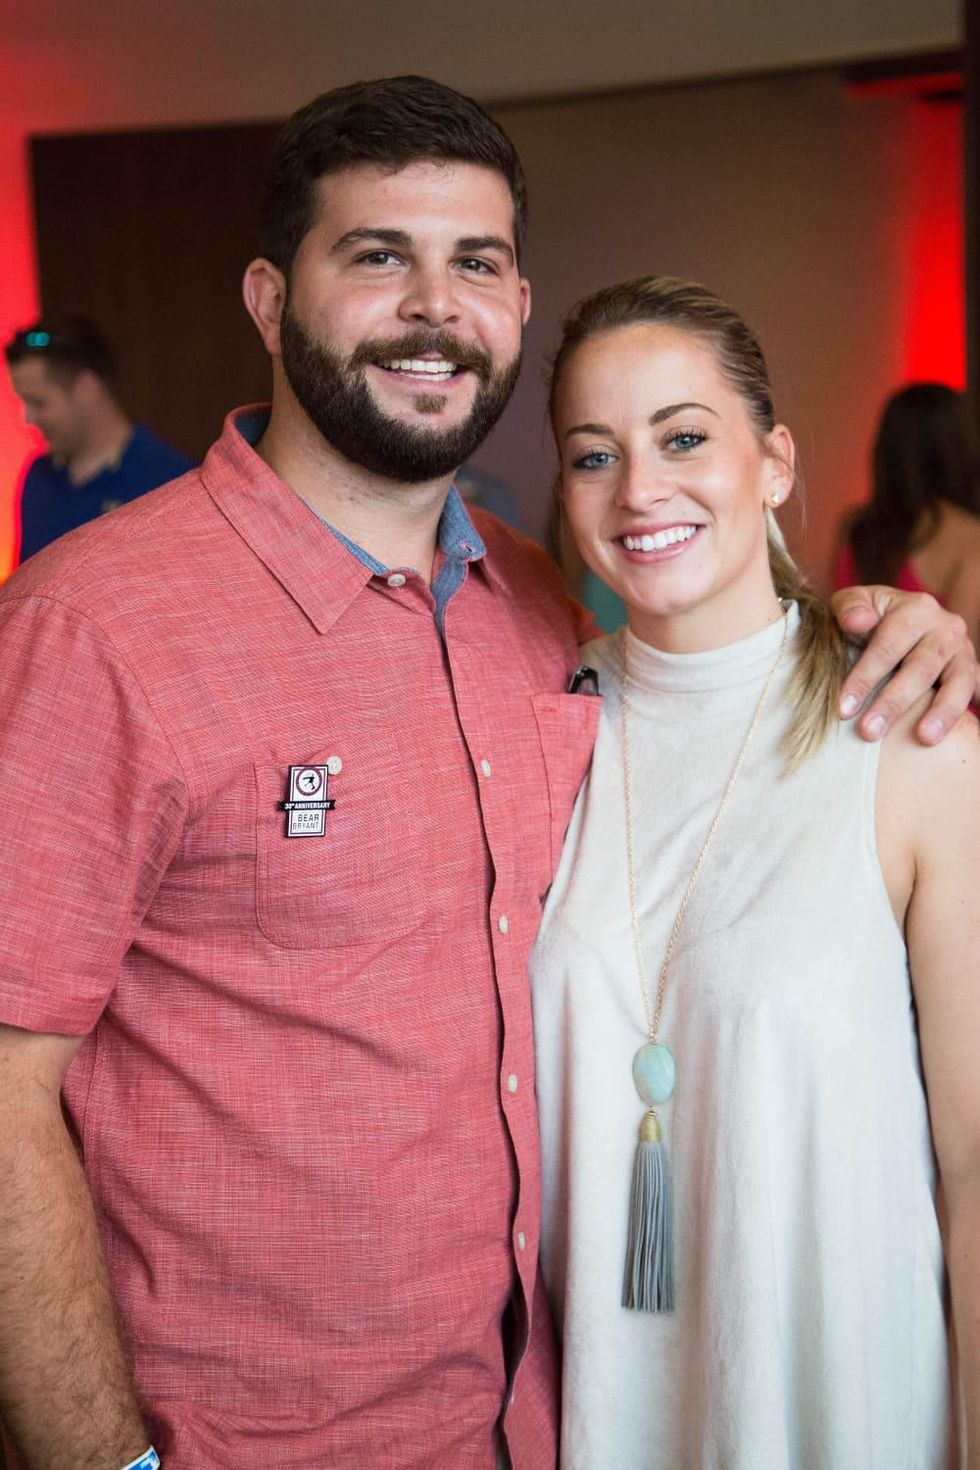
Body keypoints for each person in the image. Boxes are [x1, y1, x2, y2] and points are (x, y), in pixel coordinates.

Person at [0, 80, 973, 1470]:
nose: (433, 306)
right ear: (272, 300)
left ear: (517, 304)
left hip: (545, 1426)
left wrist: (891, 625)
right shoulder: (92, 626)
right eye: (378, 255)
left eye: (476, 263)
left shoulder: (541, 617)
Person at [532, 276, 980, 1468]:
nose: (640, 490)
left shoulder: (908, 735)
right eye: (593, 455)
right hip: (597, 1415)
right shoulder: (537, 721)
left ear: (773, 462)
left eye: (683, 437)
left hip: (839, 1407)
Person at [5, 318, 195, 563]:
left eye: (39, 403)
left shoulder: (169, 481)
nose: (28, 418)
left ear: (87, 386)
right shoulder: (38, 477)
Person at [834, 382, 980, 649]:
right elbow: (958, 659)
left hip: (846, 686)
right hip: (922, 688)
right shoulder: (970, 538)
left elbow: (831, 626)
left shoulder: (857, 528)